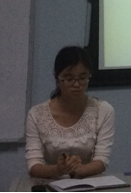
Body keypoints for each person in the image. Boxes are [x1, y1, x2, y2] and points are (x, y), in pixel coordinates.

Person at [25, 46, 114, 179]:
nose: (77, 85)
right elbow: (33, 165)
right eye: (69, 79)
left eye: (83, 78)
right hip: (52, 183)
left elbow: (102, 160)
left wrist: (78, 170)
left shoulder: (103, 110)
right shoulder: (36, 114)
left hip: (90, 182)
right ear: (57, 78)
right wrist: (58, 169)